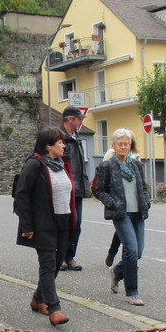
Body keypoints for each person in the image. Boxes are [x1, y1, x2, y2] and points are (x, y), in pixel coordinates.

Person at [13, 127, 74, 326]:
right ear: (48, 146)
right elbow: (21, 194)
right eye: (60, 143)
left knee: (56, 264)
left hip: (63, 220)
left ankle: (38, 299)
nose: (63, 146)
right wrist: (27, 225)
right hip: (43, 223)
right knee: (47, 265)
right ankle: (54, 309)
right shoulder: (35, 164)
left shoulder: (62, 164)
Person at [94, 128, 150, 306]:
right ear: (113, 145)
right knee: (131, 249)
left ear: (130, 145)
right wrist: (114, 203)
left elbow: (143, 187)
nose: (123, 147)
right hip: (121, 214)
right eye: (120, 144)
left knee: (138, 252)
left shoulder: (136, 165)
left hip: (138, 213)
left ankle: (117, 272)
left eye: (126, 144)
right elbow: (99, 190)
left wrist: (146, 202)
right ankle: (132, 293)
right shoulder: (108, 165)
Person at [59, 106, 90, 271]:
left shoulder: (76, 138)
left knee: (77, 224)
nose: (81, 122)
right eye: (80, 119)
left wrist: (85, 183)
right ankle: (60, 256)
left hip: (77, 189)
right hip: (64, 190)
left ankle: (70, 257)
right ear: (70, 119)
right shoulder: (59, 138)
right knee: (64, 224)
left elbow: (80, 165)